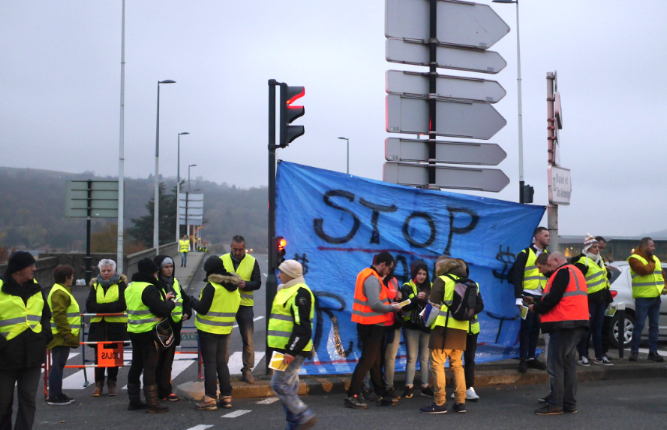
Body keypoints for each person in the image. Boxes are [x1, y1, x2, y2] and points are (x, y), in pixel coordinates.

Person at [529, 252, 589, 415]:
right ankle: (569, 403)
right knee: (568, 365)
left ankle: (555, 403)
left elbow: (554, 298)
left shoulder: (562, 272)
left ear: (556, 261)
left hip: (564, 324)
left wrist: (536, 308)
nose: (546, 270)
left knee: (555, 366)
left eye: (548, 265)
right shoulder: (574, 272)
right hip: (576, 322)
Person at [0, 251, 52, 430]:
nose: (34, 269)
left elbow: (45, 314)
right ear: (18, 269)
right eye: (30, 266)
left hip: (33, 355)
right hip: (5, 357)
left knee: (28, 400)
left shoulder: (36, 287)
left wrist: (45, 335)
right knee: (2, 403)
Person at [345, 252, 401, 409]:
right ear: (383, 264)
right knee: (368, 360)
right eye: (389, 268)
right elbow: (375, 304)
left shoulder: (369, 275)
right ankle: (352, 395)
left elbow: (376, 298)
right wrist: (393, 308)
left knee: (375, 361)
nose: (389, 272)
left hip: (369, 324)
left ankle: (381, 393)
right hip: (371, 325)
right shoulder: (372, 278)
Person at [420, 257, 474, 414]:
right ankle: (460, 402)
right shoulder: (466, 281)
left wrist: (425, 322)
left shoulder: (441, 280)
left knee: (437, 365)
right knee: (457, 366)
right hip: (461, 329)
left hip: (443, 330)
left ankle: (439, 403)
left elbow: (434, 307)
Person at [268, 260, 317, 430]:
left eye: (281, 272)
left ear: (291, 275)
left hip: (290, 350)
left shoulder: (300, 293)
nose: (279, 275)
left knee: (278, 384)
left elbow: (303, 327)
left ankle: (303, 415)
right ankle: (295, 424)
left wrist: (291, 350)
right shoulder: (285, 290)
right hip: (280, 349)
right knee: (287, 387)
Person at [190, 256, 241, 411]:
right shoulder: (233, 287)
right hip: (225, 329)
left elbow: (202, 308)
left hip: (208, 330)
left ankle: (210, 398)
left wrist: (191, 300)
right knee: (221, 363)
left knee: (210, 364)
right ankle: (226, 397)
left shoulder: (212, 287)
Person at [125, 258, 175, 414]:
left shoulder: (130, 287)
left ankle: (134, 401)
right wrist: (170, 303)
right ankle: (152, 403)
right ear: (151, 273)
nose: (156, 276)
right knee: (150, 368)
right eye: (155, 273)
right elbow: (159, 310)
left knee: (136, 365)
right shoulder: (149, 288)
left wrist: (162, 301)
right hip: (149, 332)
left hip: (134, 330)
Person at [221, 235, 262, 384]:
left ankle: (247, 370)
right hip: (227, 304)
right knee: (224, 339)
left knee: (248, 339)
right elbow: (214, 278)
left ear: (244, 247)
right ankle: (222, 370)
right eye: (235, 249)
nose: (238, 252)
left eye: (241, 249)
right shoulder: (223, 260)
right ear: (231, 247)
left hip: (245, 305)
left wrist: (246, 285)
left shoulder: (252, 261)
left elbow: (258, 283)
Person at [86, 259, 128, 397]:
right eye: (103, 271)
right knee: (99, 357)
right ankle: (98, 384)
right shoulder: (95, 285)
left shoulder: (121, 285)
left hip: (116, 327)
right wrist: (109, 308)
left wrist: (102, 308)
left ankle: (112, 383)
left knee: (114, 357)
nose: (106, 273)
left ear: (114, 271)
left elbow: (122, 304)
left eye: (109, 271)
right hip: (99, 327)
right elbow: (90, 305)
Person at [154, 255, 192, 401]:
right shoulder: (156, 285)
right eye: (166, 267)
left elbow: (185, 299)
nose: (169, 270)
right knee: (158, 361)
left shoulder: (175, 282)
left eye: (171, 267)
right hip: (161, 327)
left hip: (174, 327)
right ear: (159, 269)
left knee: (167, 362)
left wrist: (187, 313)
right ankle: (158, 390)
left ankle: (166, 390)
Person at [512, 227, 550, 373]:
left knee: (536, 328)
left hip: (542, 296)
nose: (549, 238)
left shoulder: (548, 255)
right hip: (527, 295)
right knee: (526, 328)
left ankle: (531, 358)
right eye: (546, 235)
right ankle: (523, 359)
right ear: (537, 237)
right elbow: (516, 276)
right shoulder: (525, 254)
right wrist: (518, 298)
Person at [572, 234, 613, 366]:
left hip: (601, 299)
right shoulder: (582, 261)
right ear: (588, 248)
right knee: (586, 329)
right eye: (595, 247)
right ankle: (582, 355)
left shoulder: (599, 260)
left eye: (598, 247)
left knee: (598, 329)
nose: (597, 249)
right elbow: (576, 281)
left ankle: (599, 356)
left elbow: (605, 278)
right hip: (588, 300)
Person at [627, 237, 666, 362]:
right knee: (639, 325)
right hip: (643, 297)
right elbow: (643, 271)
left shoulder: (655, 259)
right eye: (652, 246)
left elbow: (662, 275)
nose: (654, 248)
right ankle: (634, 353)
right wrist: (652, 264)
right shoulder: (634, 259)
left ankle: (653, 352)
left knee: (654, 326)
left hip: (655, 297)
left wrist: (664, 287)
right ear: (644, 246)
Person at [46, 265, 80, 406]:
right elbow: (59, 315)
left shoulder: (59, 290)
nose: (72, 278)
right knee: (58, 365)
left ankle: (57, 393)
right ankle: (54, 395)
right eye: (71, 276)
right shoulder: (60, 293)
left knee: (58, 365)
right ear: (67, 277)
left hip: (60, 334)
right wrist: (66, 334)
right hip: (60, 336)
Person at [400, 260, 433, 399]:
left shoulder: (431, 287)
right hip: (411, 326)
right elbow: (403, 305)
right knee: (412, 358)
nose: (422, 276)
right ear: (414, 274)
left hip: (426, 326)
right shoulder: (407, 287)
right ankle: (409, 387)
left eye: (424, 274)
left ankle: (425, 387)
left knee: (425, 359)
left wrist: (431, 300)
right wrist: (415, 299)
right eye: (419, 273)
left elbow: (438, 305)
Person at [381, 271, 403, 400]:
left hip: (393, 324)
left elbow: (397, 297)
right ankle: (368, 387)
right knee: (373, 357)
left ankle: (389, 386)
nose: (387, 269)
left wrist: (399, 295)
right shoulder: (374, 280)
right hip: (377, 324)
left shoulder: (394, 280)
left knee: (390, 358)